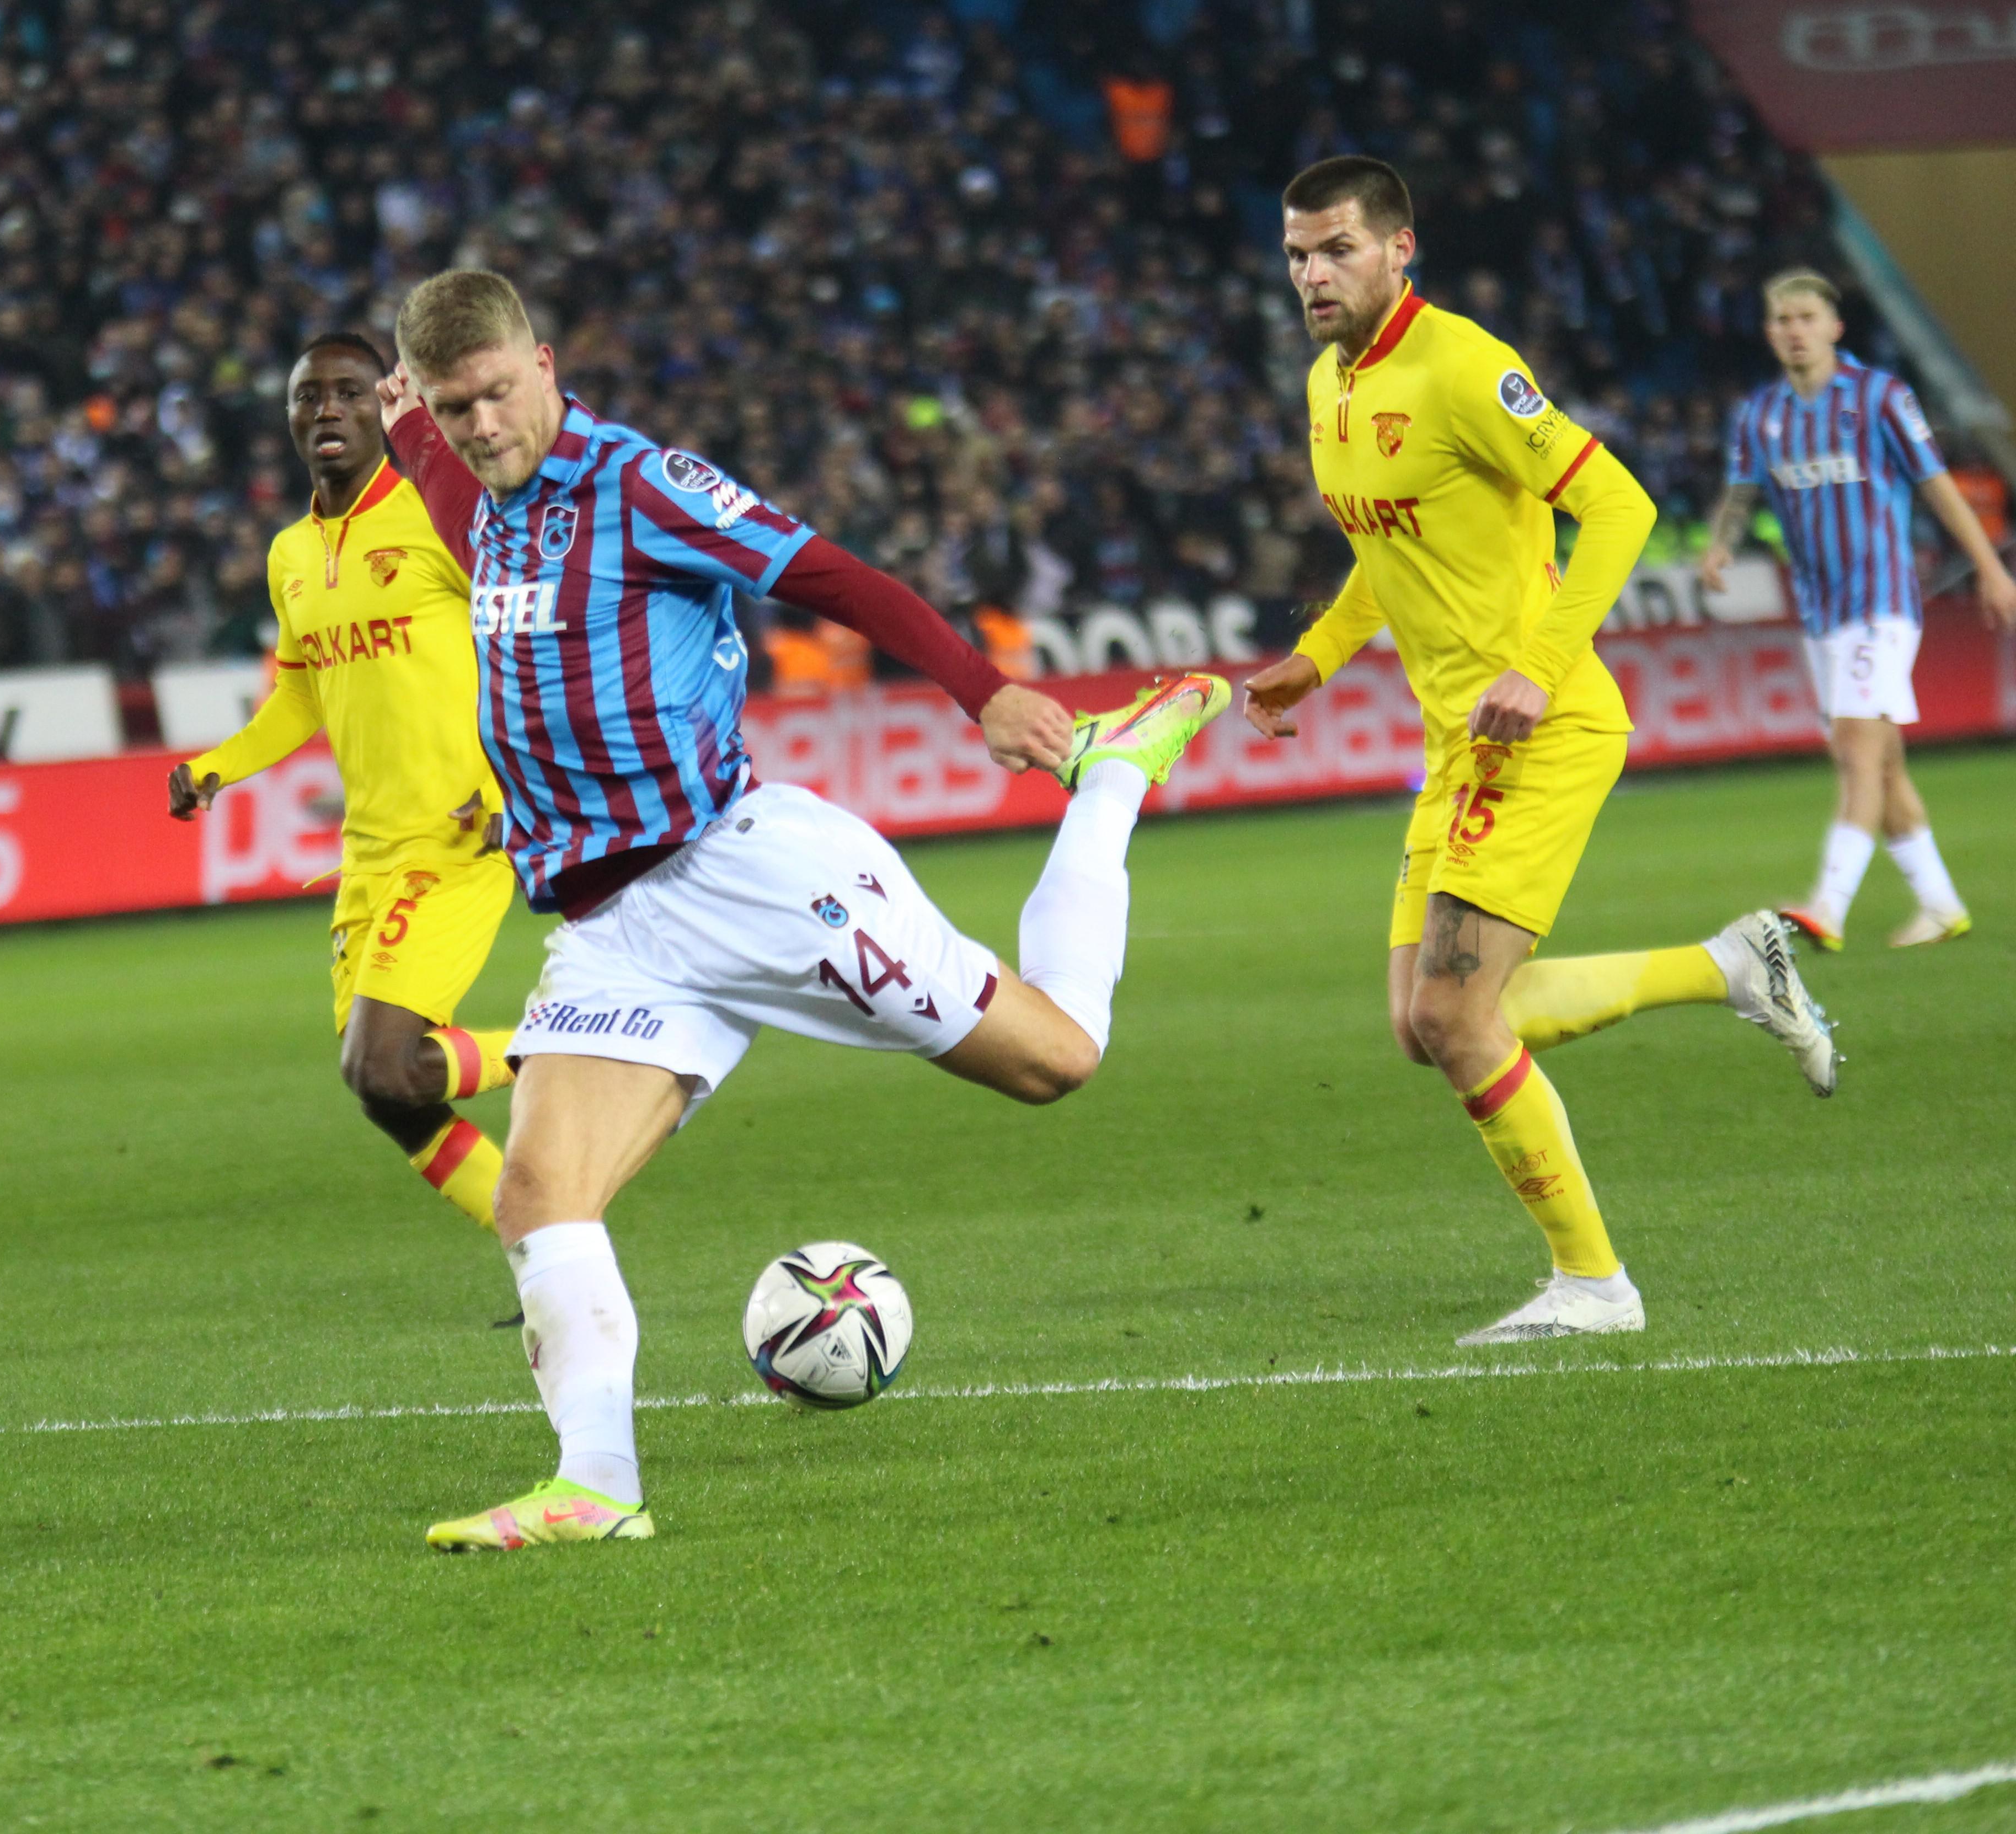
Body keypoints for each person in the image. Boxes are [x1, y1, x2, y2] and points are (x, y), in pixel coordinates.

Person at [378, 269, 1226, 1551]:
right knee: (538, 1194)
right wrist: (402, 432)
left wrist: (981, 690)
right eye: (455, 410)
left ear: (546, 363)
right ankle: (596, 1487)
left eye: (499, 393)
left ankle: (1109, 779)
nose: (484, 426)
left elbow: (831, 574)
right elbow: (448, 496)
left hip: (754, 879)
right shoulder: (474, 493)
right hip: (620, 928)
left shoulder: (642, 483)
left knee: (1055, 1060)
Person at [1241, 158, 1838, 1349]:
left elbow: (1614, 504)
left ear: (1401, 248)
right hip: (1455, 739)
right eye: (1299, 253)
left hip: (1541, 722)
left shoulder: (1467, 368)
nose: (1313, 273)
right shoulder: (1328, 385)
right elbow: (1388, 546)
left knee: (1464, 1022)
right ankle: (1731, 965)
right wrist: (1318, 655)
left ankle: (1595, 1286)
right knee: (1425, 1025)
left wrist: (1540, 663)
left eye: (1338, 248)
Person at [167, 333, 525, 1231]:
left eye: (347, 392)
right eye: (305, 395)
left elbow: (526, 639)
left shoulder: (436, 517)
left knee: (381, 1063)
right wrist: (214, 769)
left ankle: (582, 1046)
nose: (324, 408)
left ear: (384, 409)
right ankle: (538, 1238)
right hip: (366, 853)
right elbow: (299, 696)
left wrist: (511, 786)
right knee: (389, 1094)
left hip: (455, 838)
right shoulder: (290, 555)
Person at [1700, 268, 2016, 950]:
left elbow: (1937, 487)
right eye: (1782, 320)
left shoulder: (1879, 398)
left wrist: (1991, 569)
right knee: (1884, 763)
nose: (1794, 331)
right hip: (1822, 613)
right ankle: (1940, 905)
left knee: (1855, 752)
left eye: (1807, 317)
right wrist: (1719, 546)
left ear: (1835, 326)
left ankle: (1829, 906)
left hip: (1882, 603)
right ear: (1769, 332)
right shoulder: (1762, 416)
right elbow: (1741, 492)